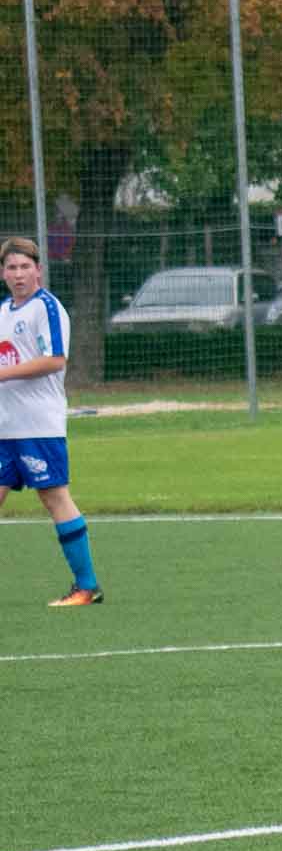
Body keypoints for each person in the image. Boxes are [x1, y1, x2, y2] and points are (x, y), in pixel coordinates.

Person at [0, 237, 98, 607]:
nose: (19, 274)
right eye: (12, 267)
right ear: (2, 273)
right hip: (5, 427)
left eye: (25, 267)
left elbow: (55, 359)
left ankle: (86, 587)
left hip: (38, 425)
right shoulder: (3, 311)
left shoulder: (47, 307)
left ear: (38, 270)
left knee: (54, 497)